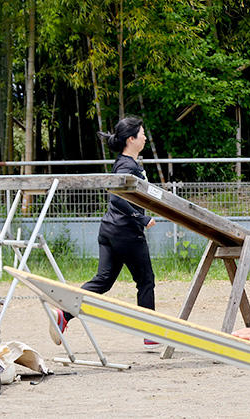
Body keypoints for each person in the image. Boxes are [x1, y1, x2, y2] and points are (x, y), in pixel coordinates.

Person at [48, 115, 161, 349]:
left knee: (103, 281)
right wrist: (141, 218)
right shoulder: (127, 166)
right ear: (131, 139)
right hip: (126, 233)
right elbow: (116, 197)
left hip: (109, 230)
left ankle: (64, 314)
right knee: (146, 280)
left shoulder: (125, 163)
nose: (145, 137)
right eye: (141, 134)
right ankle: (150, 332)